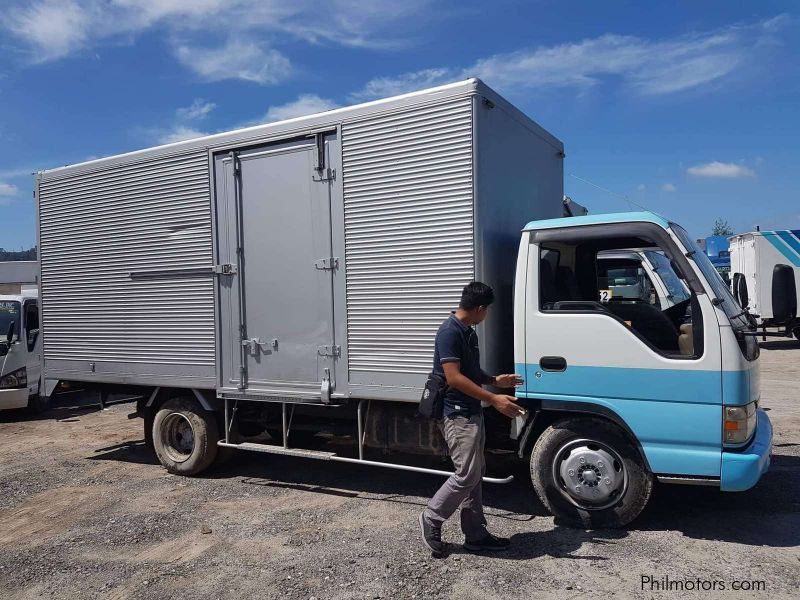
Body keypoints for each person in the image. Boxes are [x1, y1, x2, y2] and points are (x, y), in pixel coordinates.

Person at [419, 281, 525, 556]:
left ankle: (475, 535)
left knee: (475, 474)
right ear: (479, 308)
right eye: (486, 310)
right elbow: (453, 378)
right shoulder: (449, 332)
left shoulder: (468, 333)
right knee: (466, 474)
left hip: (471, 412)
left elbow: (470, 372)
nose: (486, 314)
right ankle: (432, 516)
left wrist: (494, 381)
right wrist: (493, 399)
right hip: (456, 414)